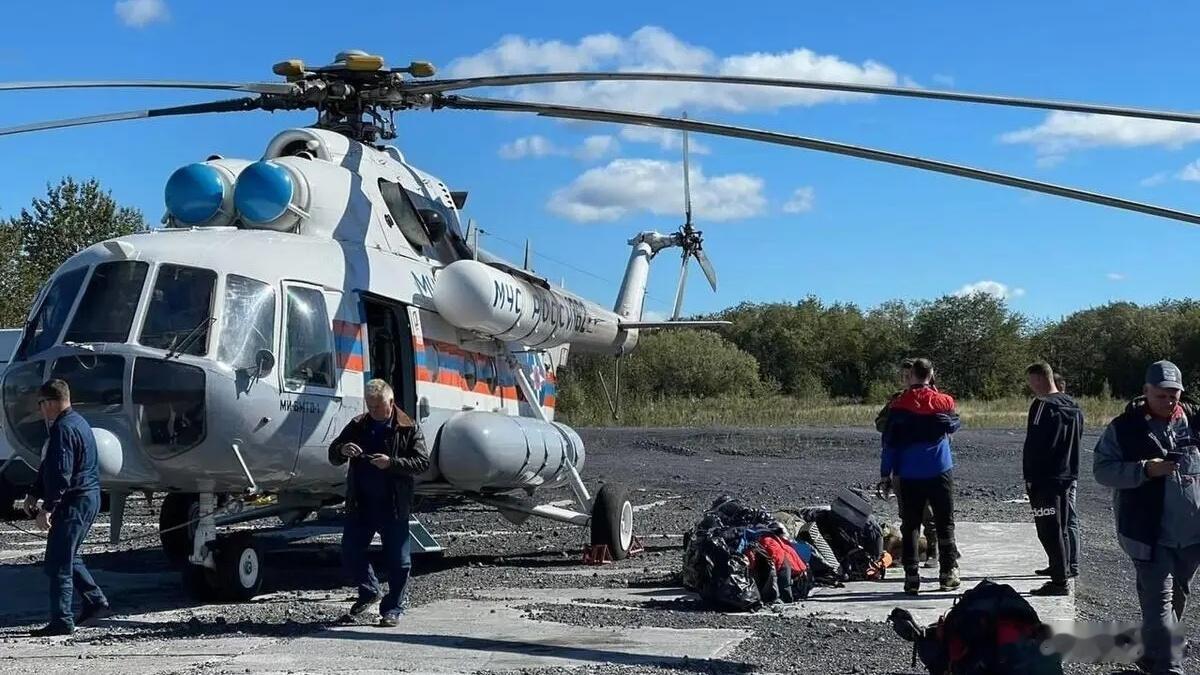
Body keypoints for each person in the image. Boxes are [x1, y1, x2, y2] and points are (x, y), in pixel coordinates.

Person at [1094, 360, 1200, 674]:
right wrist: (1144, 470)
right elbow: (1102, 470)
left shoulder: (1195, 422)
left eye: (1174, 395)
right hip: (1148, 535)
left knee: (1176, 597)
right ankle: (1170, 667)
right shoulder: (1125, 428)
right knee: (1159, 603)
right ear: (1146, 392)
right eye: (1161, 395)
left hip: (1192, 536)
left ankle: (1151, 651)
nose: (1169, 402)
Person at [328, 379, 429, 627]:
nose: (373, 412)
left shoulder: (408, 427)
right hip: (361, 503)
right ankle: (369, 591)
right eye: (369, 406)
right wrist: (343, 450)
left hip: (393, 505)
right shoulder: (358, 425)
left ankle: (393, 608)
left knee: (399, 561)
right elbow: (333, 454)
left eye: (377, 406)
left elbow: (422, 462)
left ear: (390, 403)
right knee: (351, 551)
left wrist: (391, 463)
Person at [22, 379, 110, 636]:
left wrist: (47, 507)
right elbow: (50, 466)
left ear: (50, 403)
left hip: (76, 501)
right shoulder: (77, 423)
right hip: (84, 498)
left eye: (41, 404)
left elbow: (61, 472)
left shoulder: (63, 429)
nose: (40, 410)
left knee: (58, 562)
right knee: (69, 555)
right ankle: (95, 601)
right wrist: (34, 492)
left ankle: (62, 620)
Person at [877, 357, 962, 595]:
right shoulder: (944, 401)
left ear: (912, 375)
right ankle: (947, 572)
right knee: (945, 522)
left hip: (908, 472)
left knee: (910, 524)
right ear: (931, 374)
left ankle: (911, 576)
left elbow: (889, 444)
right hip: (939, 469)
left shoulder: (898, 404)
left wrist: (886, 474)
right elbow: (953, 423)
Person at [1022, 363, 1084, 597]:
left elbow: (1034, 446)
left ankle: (1059, 582)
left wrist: (1030, 478)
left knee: (1048, 529)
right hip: (1067, 475)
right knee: (1063, 527)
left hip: (1045, 478)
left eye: (1031, 381)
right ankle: (1062, 569)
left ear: (1039, 379)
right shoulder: (1073, 405)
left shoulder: (1042, 406)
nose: (1030, 386)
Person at [875, 359, 939, 568]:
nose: (905, 379)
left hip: (927, 464)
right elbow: (880, 423)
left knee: (928, 512)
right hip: (902, 464)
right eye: (903, 376)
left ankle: (933, 551)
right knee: (907, 513)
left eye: (908, 375)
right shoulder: (897, 400)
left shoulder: (933, 398)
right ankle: (911, 553)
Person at [1051, 373, 1081, 579]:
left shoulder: (1064, 410)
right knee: (1059, 520)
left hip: (1065, 473)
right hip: (1066, 471)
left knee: (1069, 519)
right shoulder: (1072, 410)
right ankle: (1060, 561)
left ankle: (1071, 563)